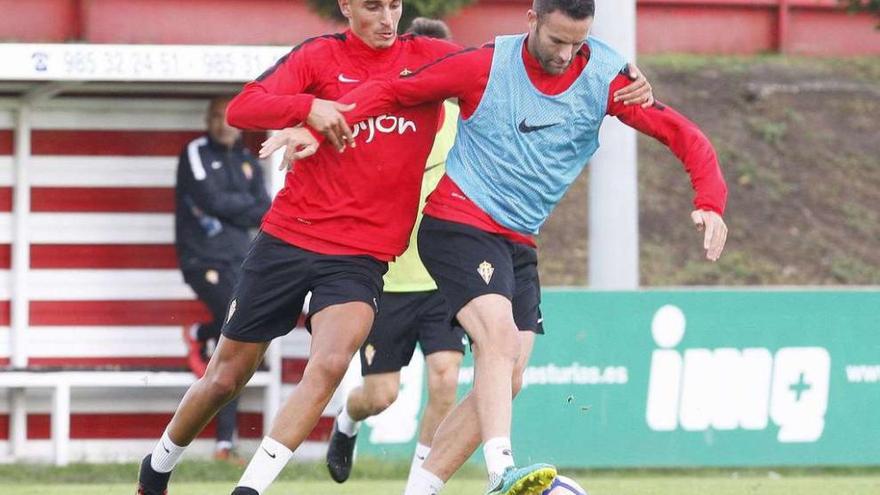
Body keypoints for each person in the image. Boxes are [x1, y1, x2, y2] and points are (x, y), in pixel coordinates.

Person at [136, 1, 652, 494]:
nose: (386, 19)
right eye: (372, 7)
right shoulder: (318, 56)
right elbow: (247, 107)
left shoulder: (428, 58)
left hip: (363, 257)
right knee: (227, 376)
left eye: (393, 6)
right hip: (289, 238)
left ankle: (250, 489)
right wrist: (307, 109)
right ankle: (158, 466)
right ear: (346, 6)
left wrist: (615, 73)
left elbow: (519, 60)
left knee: (335, 362)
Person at [269, 1, 729, 493]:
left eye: (578, 43)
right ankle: (501, 472)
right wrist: (313, 122)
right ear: (531, 20)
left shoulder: (605, 77)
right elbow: (393, 90)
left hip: (518, 240)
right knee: (498, 341)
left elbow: (683, 133)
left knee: (506, 378)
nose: (566, 54)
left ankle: (420, 489)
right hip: (456, 225)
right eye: (557, 41)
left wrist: (711, 201)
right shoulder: (485, 65)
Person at [323, 17, 467, 487]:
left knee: (447, 377)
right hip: (389, 281)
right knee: (381, 396)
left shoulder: (467, 123)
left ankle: (419, 482)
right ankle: (347, 421)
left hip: (444, 276)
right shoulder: (387, 117)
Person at [174, 95, 271, 464]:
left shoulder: (248, 160)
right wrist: (240, 209)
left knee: (235, 341)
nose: (222, 124)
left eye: (228, 118)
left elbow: (264, 208)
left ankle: (223, 445)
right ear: (207, 119)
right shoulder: (195, 152)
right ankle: (223, 444)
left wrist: (238, 209)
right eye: (215, 117)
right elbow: (211, 200)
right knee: (236, 330)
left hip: (239, 259)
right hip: (201, 258)